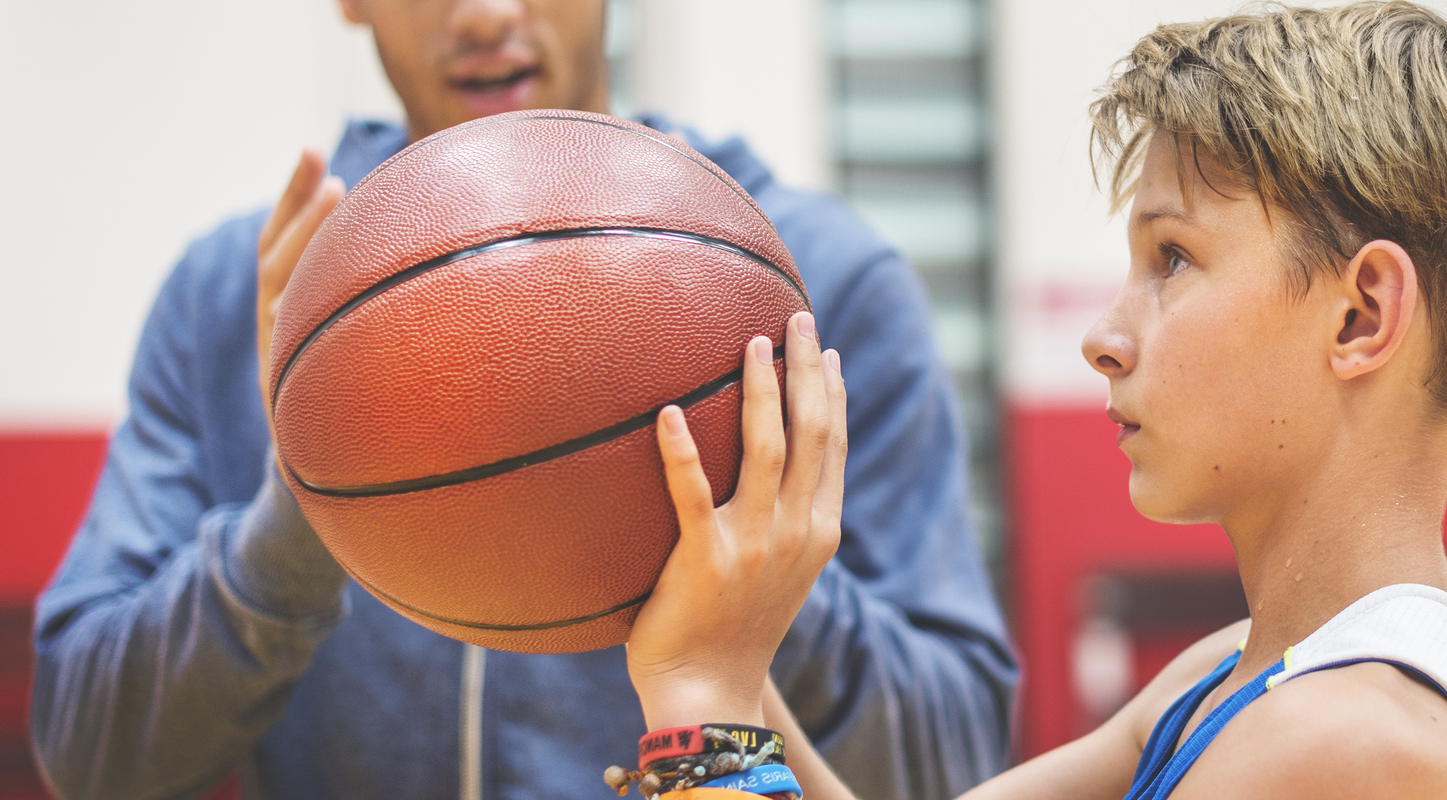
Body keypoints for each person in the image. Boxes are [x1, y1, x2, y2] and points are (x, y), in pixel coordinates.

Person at [28, 1, 1016, 798]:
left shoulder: (819, 288)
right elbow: (86, 757)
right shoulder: (236, 297)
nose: (487, 14)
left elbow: (953, 763)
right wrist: (295, 518)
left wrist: (752, 570)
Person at [621, 4, 1447, 800]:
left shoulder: (1355, 740)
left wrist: (701, 709)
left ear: (1358, 315)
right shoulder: (1233, 673)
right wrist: (732, 655)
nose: (1102, 336)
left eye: (1171, 258)